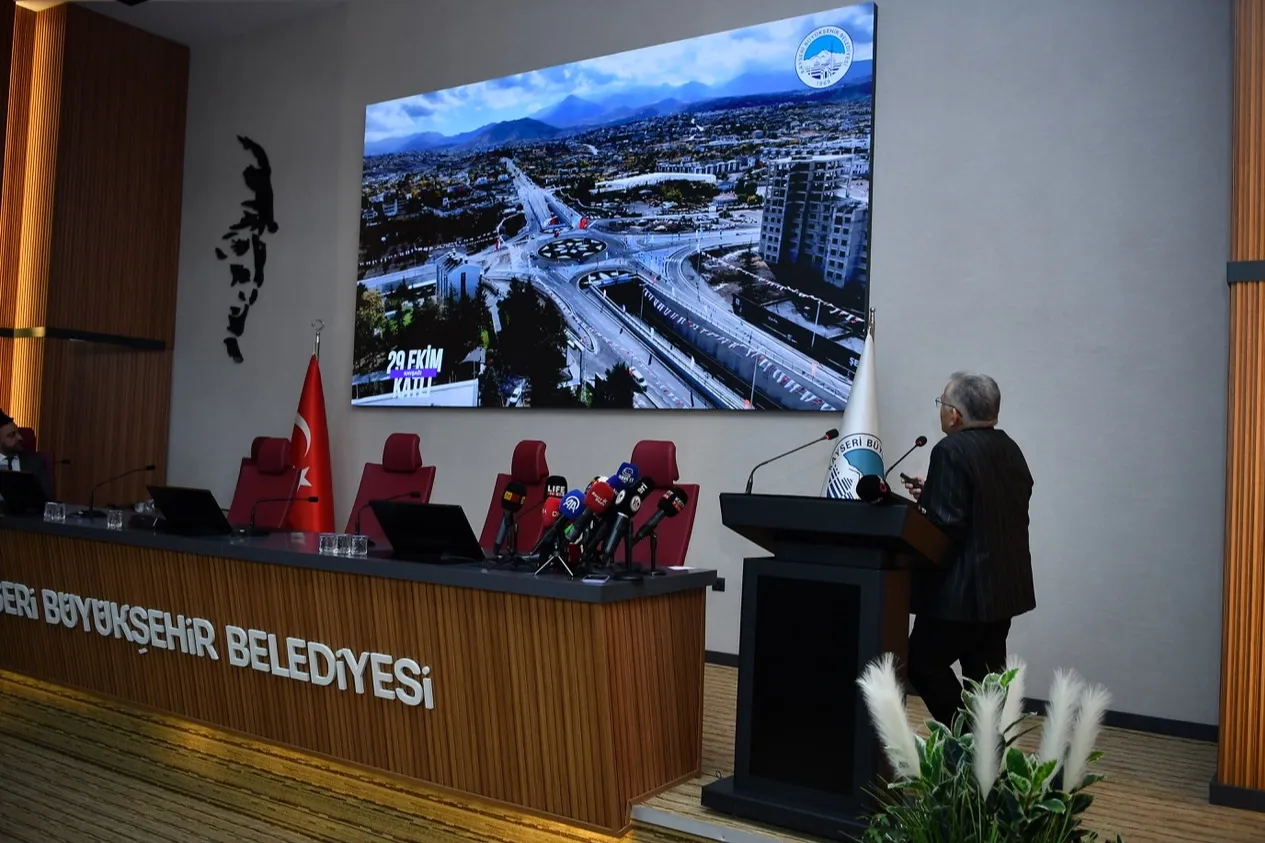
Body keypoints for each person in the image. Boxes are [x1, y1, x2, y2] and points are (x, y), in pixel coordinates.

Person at [900, 372, 1034, 727]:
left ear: (955, 414)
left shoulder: (950, 450)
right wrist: (934, 491)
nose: (941, 410)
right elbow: (986, 505)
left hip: (960, 594)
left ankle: (966, 740)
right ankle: (986, 748)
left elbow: (945, 527)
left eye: (942, 403)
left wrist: (927, 505)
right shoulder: (1009, 448)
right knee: (985, 682)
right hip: (1001, 590)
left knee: (922, 664)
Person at [0, 411, 53, 497]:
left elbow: (47, 498)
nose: (20, 438)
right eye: (12, 435)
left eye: (18, 432)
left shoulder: (36, 462)